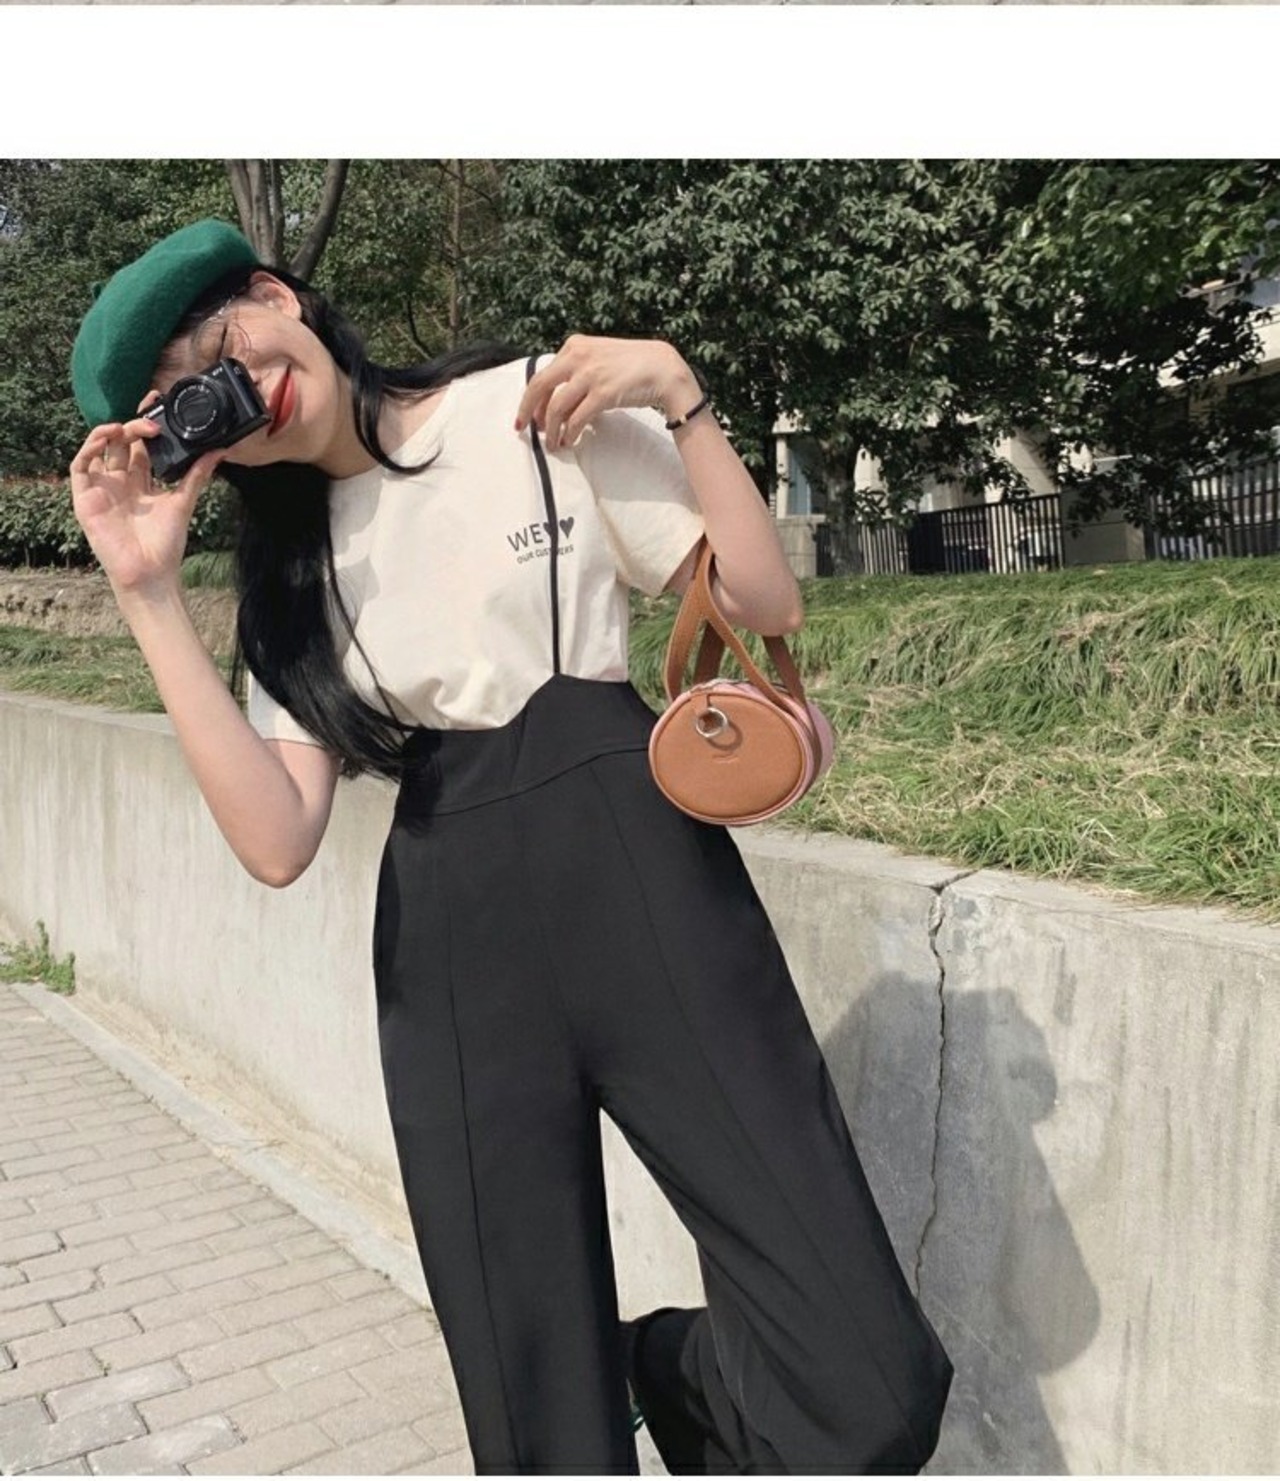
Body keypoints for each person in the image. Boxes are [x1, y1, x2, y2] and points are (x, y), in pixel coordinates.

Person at [68, 219, 953, 1476]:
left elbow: (766, 602)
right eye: (186, 404)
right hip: (447, 936)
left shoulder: (530, 406)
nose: (235, 391)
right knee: (537, 1427)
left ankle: (658, 1368)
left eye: (220, 347)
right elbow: (276, 841)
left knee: (871, 1386)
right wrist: (146, 591)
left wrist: (681, 394)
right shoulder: (291, 575)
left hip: (644, 875)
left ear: (276, 295)